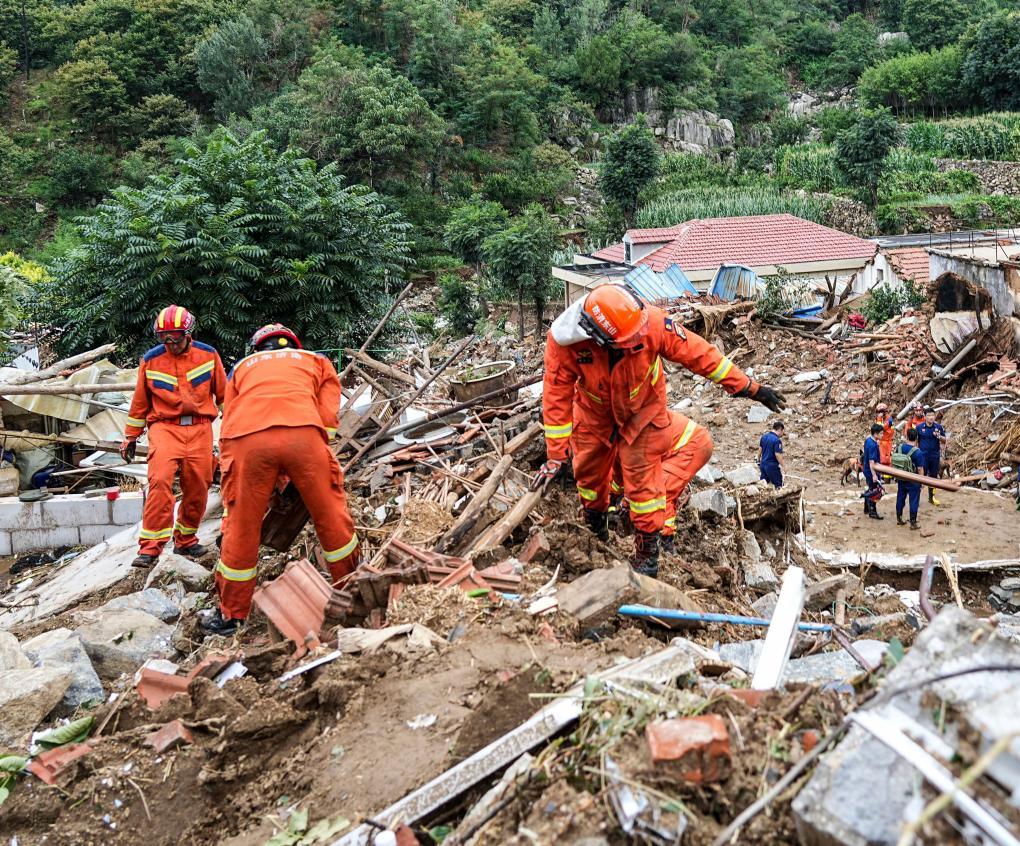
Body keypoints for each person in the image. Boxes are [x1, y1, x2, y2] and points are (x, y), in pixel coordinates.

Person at [534, 283, 786, 578]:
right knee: (588, 477)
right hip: (593, 416)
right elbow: (556, 396)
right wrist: (557, 454)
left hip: (644, 414)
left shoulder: (649, 323)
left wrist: (748, 387)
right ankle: (596, 529)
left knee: (644, 488)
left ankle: (647, 554)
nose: (636, 340)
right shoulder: (566, 344)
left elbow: (699, 354)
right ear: (598, 337)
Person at [202, 324, 359, 636]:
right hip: (303, 433)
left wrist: (256, 477)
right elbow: (328, 414)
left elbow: (230, 417)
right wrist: (312, 452)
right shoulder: (314, 360)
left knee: (242, 526)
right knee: (330, 515)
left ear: (258, 348)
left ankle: (231, 615)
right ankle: (353, 592)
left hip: (246, 440)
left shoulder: (241, 368)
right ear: (293, 345)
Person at [121, 305, 227, 569]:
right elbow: (139, 403)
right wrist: (130, 437)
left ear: (188, 333)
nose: (169, 343)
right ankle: (149, 548)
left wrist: (237, 429)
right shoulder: (151, 359)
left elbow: (226, 397)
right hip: (164, 427)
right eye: (163, 337)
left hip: (200, 428)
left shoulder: (208, 355)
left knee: (198, 486)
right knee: (159, 481)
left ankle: (186, 540)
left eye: (175, 337)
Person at [915, 407, 947, 506]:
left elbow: (944, 440)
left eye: (932, 415)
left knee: (933, 477)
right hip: (922, 456)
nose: (931, 417)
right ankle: (916, 498)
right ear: (925, 417)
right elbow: (915, 441)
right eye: (929, 415)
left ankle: (931, 497)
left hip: (934, 456)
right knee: (920, 477)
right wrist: (915, 454)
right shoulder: (919, 427)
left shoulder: (938, 427)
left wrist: (939, 437)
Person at [861, 422, 885, 520]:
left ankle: (867, 508)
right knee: (876, 491)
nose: (882, 435)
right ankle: (872, 511)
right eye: (881, 433)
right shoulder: (873, 446)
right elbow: (872, 462)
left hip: (866, 469)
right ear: (875, 434)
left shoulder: (868, 440)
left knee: (871, 488)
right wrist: (874, 475)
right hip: (871, 470)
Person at [758, 421, 785, 488]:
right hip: (772, 466)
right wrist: (784, 466)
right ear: (780, 430)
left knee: (763, 486)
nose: (782, 434)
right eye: (782, 431)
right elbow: (777, 454)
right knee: (779, 486)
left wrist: (758, 460)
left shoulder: (764, 437)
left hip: (763, 465)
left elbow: (760, 450)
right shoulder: (777, 440)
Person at [875, 403, 894, 468]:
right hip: (882, 441)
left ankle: (886, 476)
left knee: (885, 460)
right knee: (881, 458)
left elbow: (879, 428)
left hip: (886, 442)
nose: (878, 414)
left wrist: (879, 418)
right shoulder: (882, 419)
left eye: (879, 412)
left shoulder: (889, 420)